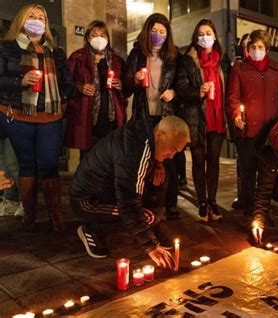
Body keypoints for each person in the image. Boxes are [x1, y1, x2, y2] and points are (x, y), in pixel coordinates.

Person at [70, 116, 190, 266]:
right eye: (172, 149)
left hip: (111, 192)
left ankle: (151, 228)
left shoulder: (150, 132)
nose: (172, 156)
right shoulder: (133, 151)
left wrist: (158, 163)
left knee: (160, 180)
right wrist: (150, 245)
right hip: (88, 200)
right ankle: (93, 229)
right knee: (143, 216)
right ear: (159, 135)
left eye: (176, 152)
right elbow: (128, 203)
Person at [0, 4, 74, 232]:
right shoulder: (7, 48)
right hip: (17, 115)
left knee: (49, 164)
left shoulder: (56, 52)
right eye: (31, 16)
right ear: (21, 21)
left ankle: (55, 216)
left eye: (40, 16)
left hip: (49, 116)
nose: (36, 19)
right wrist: (19, 82)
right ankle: (29, 216)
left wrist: (61, 99)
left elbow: (68, 83)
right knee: (27, 165)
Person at [227, 29, 278, 216]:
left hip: (272, 132)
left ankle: (264, 210)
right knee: (248, 171)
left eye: (260, 47)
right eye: (253, 47)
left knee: (268, 172)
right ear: (248, 48)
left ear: (267, 48)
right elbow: (233, 98)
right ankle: (248, 209)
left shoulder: (277, 69)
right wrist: (235, 115)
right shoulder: (239, 69)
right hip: (248, 131)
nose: (256, 50)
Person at [124, 13, 180, 219]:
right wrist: (135, 79)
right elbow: (126, 87)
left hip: (165, 117)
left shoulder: (174, 58)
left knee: (168, 162)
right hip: (143, 115)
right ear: (147, 32)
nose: (158, 35)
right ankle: (146, 203)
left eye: (162, 32)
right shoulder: (137, 55)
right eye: (154, 31)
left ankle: (170, 205)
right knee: (145, 161)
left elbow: (181, 85)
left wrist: (173, 92)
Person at [175, 19, 231, 222]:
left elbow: (231, 87)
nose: (204, 37)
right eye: (200, 34)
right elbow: (181, 88)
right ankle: (201, 202)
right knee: (198, 161)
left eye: (208, 32)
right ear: (195, 38)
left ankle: (213, 200)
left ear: (215, 36)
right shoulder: (188, 60)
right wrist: (197, 91)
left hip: (218, 118)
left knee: (213, 161)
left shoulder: (223, 60)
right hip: (196, 118)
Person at [65, 20, 126, 158]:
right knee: (87, 159)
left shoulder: (117, 61)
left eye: (103, 35)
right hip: (86, 117)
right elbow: (66, 83)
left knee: (110, 158)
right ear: (87, 38)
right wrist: (80, 87)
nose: (99, 38)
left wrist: (121, 86)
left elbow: (126, 89)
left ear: (108, 39)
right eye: (94, 34)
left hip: (111, 119)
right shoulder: (78, 57)